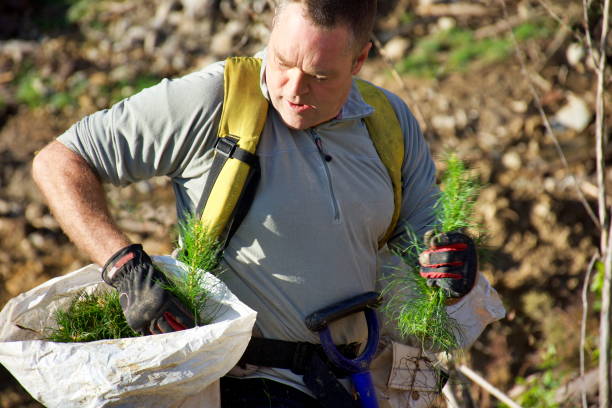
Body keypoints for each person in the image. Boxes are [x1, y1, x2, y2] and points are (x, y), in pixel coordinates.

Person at [32, 0, 479, 406]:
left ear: (359, 60)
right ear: (272, 28)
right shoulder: (214, 102)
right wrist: (124, 268)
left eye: (320, 76)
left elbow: (426, 236)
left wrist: (450, 264)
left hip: (360, 382)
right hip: (249, 384)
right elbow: (60, 161)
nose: (294, 88)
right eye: (283, 62)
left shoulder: (388, 120)